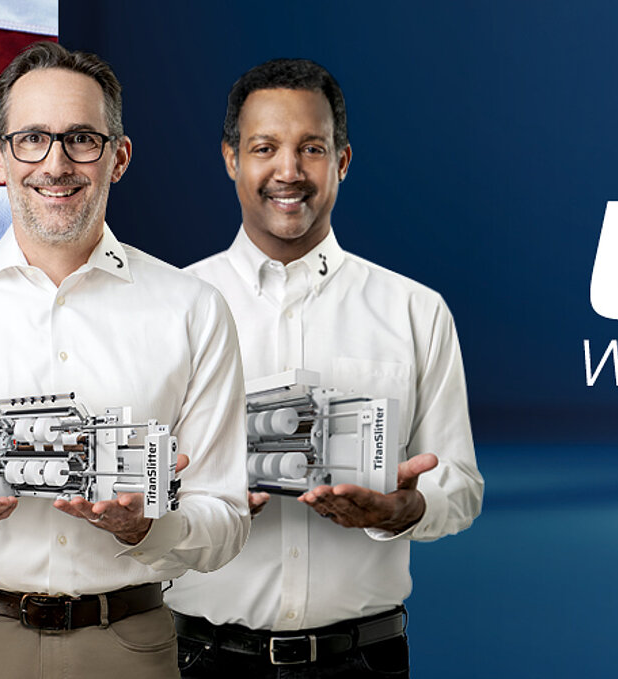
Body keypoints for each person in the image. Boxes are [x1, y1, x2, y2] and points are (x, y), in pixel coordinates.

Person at [0, 42, 249, 678]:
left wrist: (146, 527)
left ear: (119, 157)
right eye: (31, 139)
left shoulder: (194, 309)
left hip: (126, 643)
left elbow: (226, 523)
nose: (56, 164)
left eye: (82, 139)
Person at [169, 58, 484, 677]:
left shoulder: (416, 311)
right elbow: (134, 486)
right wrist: (196, 499)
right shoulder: (171, 307)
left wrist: (405, 510)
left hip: (362, 660)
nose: (288, 171)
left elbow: (462, 486)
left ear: (342, 161)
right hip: (201, 659)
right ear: (231, 159)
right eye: (265, 148)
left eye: (311, 148)